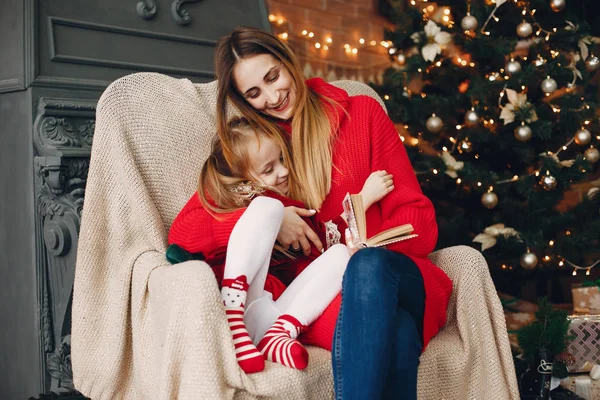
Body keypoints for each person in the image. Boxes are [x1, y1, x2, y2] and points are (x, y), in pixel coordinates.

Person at [212, 27, 454, 399]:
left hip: (394, 274)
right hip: (322, 301)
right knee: (401, 333)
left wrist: (366, 247)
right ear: (242, 101)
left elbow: (419, 219)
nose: (273, 97)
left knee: (366, 267)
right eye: (254, 93)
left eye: (273, 76)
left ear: (288, 62)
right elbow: (192, 226)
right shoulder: (256, 150)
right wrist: (273, 219)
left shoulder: (362, 114)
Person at [168, 117, 394, 374]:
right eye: (268, 169)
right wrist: (269, 220)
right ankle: (233, 314)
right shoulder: (222, 197)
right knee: (268, 208)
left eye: (282, 160)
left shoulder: (284, 202)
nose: (283, 171)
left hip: (271, 311)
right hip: (235, 307)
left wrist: (360, 202)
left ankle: (278, 334)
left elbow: (322, 237)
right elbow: (181, 235)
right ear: (238, 175)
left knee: (341, 254)